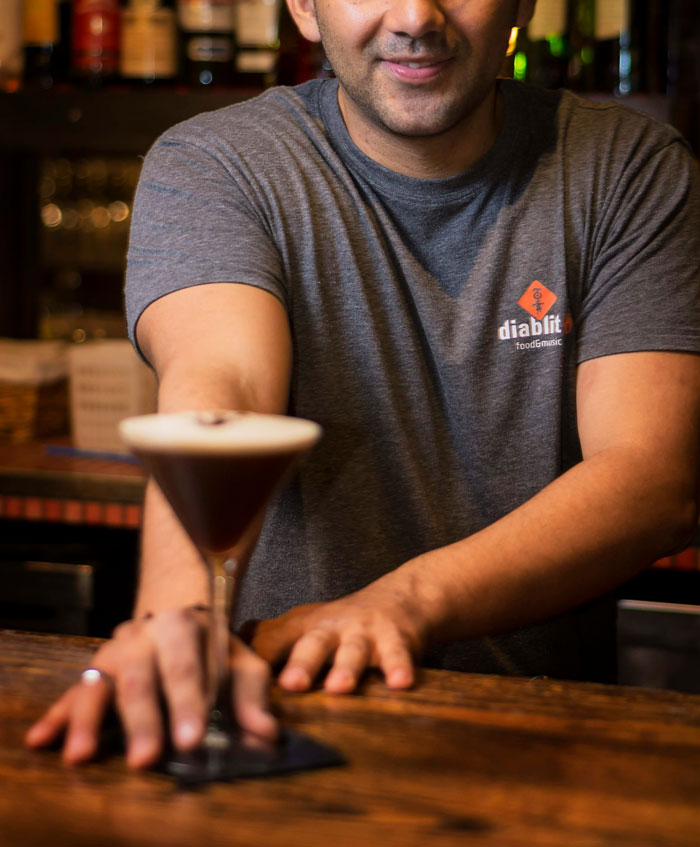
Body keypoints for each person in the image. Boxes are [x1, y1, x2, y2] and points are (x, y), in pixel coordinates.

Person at [27, 0, 700, 770]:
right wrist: (181, 617)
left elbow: (652, 478)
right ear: (304, 8)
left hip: (542, 742)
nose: (415, 15)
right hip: (286, 715)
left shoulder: (628, 167)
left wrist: (401, 603)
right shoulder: (218, 163)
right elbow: (225, 390)